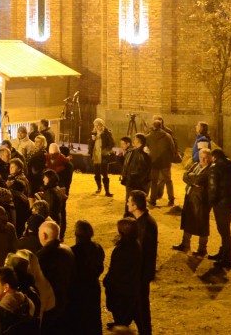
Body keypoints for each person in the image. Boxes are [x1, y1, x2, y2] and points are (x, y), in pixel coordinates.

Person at [36, 220, 76, 335]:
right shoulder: (67, 250)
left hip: (52, 307)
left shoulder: (43, 256)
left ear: (44, 235)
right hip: (67, 301)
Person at [103, 218, 142, 331]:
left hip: (121, 287)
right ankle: (120, 322)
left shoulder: (122, 250)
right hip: (129, 286)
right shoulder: (135, 244)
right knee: (125, 309)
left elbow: (116, 270)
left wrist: (107, 281)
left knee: (120, 309)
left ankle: (121, 325)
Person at [126, 190, 157, 334]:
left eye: (129, 201)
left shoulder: (145, 225)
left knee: (141, 304)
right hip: (140, 272)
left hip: (141, 273)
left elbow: (141, 252)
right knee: (135, 302)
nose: (127, 203)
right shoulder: (142, 221)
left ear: (135, 206)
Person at [173, 146, 212, 256]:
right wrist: (193, 180)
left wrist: (192, 178)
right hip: (190, 196)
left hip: (201, 200)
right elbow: (185, 177)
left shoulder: (210, 170)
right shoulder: (195, 165)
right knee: (187, 220)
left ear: (209, 158)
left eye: (205, 158)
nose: (203, 160)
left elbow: (198, 180)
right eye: (201, 157)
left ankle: (202, 249)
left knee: (202, 224)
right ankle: (185, 244)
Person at [207, 147, 231, 270]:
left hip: (221, 204)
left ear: (214, 157)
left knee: (224, 232)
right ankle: (222, 253)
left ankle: (227, 259)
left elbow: (213, 188)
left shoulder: (215, 168)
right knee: (225, 230)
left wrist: (211, 202)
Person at [70, 220, 105, 334]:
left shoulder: (73, 251)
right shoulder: (97, 248)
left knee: (80, 319)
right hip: (93, 287)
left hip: (78, 290)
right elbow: (100, 267)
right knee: (93, 317)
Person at [145, 117, 176, 207]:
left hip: (154, 162)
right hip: (165, 162)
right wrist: (169, 158)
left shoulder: (148, 137)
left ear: (153, 126)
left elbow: (146, 149)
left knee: (154, 181)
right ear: (161, 125)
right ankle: (171, 199)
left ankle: (153, 200)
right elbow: (172, 148)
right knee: (168, 181)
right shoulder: (167, 136)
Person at [119, 135, 151, 212]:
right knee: (129, 199)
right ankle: (128, 214)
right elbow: (125, 164)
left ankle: (132, 215)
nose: (133, 140)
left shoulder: (144, 152)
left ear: (138, 141)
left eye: (135, 139)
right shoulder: (133, 151)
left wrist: (138, 177)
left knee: (135, 200)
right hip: (130, 179)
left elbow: (145, 168)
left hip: (136, 181)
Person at [89, 118, 115, 197]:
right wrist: (92, 140)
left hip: (104, 156)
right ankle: (99, 188)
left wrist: (106, 150)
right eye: (96, 125)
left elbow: (112, 143)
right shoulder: (93, 133)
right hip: (96, 156)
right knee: (97, 173)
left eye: (99, 125)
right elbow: (90, 145)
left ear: (102, 125)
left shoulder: (107, 133)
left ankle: (107, 191)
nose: (97, 127)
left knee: (105, 174)